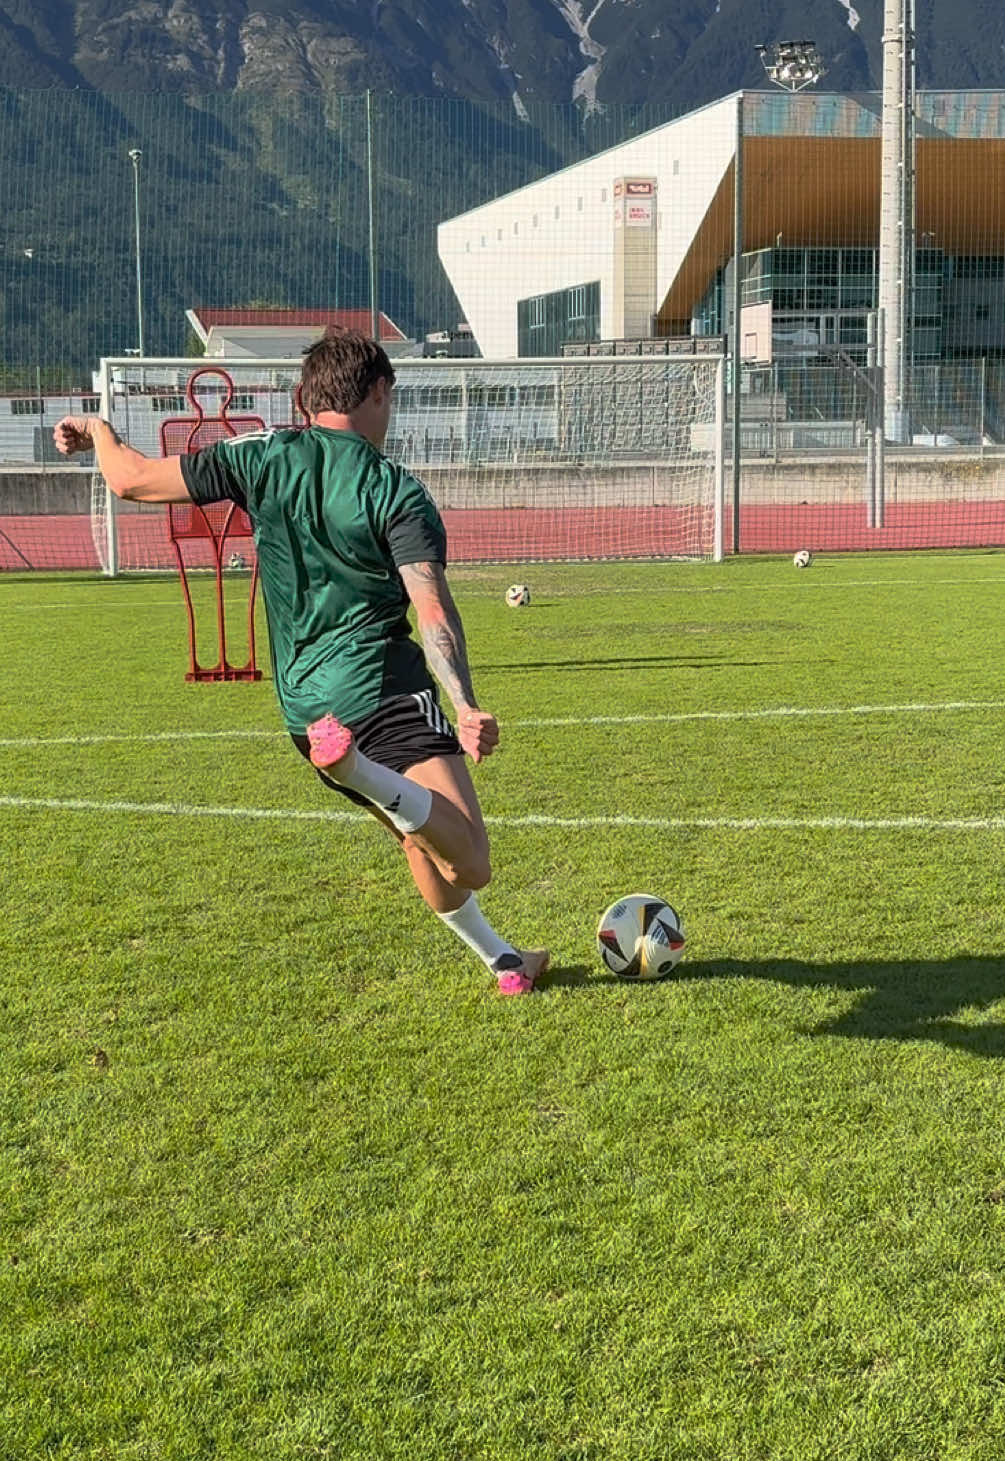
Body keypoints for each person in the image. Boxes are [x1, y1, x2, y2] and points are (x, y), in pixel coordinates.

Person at [54, 330, 548, 995]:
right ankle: (363, 772)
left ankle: (503, 962)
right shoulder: (393, 489)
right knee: (470, 859)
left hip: (304, 711)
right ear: (377, 392)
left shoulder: (261, 455)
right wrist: (462, 703)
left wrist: (96, 427)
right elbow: (431, 610)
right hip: (384, 693)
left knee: (415, 835)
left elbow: (132, 480)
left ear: (302, 399)